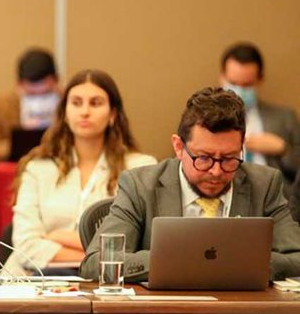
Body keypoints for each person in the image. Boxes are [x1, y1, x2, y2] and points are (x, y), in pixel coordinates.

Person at [80, 87, 300, 282]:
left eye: (229, 158)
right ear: (178, 147)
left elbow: (296, 258)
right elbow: (96, 263)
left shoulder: (264, 184)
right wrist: (174, 259)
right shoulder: (139, 186)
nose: (216, 171)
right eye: (203, 158)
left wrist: (244, 263)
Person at [7, 70, 156, 273]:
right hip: (34, 279)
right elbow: (26, 246)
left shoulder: (140, 168)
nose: (85, 111)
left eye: (95, 103)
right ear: (65, 114)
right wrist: (98, 258)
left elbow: (139, 247)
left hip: (108, 284)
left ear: (113, 114)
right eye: (76, 103)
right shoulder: (38, 168)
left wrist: (60, 237)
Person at [219, 42, 300, 188]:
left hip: (276, 200)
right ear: (222, 78)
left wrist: (282, 149)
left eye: (247, 85)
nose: (239, 90)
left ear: (260, 79)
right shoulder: (205, 119)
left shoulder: (284, 117)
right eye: (233, 83)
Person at [0, 48, 60, 160]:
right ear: (19, 85)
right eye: (31, 95)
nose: (38, 101)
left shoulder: (70, 103)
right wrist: (20, 145)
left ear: (56, 81)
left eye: (45, 94)